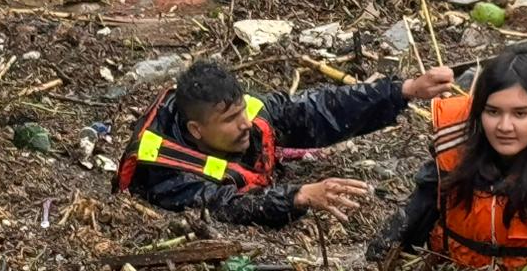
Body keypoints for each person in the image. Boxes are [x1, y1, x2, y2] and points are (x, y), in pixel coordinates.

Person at [369, 48, 527, 271]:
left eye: (520, 113)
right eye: (492, 111)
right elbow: (421, 207)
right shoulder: (455, 146)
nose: (505, 126)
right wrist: (377, 261)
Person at [113, 59, 455, 228]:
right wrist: (299, 196)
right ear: (196, 130)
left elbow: (320, 110)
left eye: (242, 111)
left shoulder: (249, 116)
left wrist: (404, 90)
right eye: (231, 121)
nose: (245, 123)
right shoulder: (163, 171)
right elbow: (225, 206)